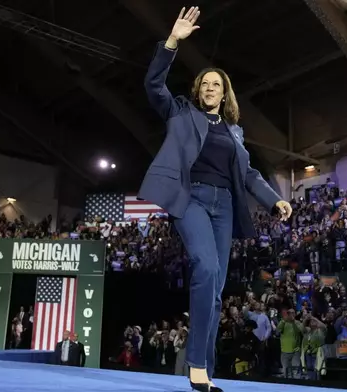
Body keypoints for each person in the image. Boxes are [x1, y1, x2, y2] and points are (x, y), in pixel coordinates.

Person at [137, 6, 292, 392]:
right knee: (205, 267)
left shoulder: (235, 132)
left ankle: (204, 372)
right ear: (197, 90)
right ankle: (195, 365)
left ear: (225, 95)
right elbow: (154, 84)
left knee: (218, 287)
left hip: (225, 206)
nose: (209, 88)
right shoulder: (179, 113)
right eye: (205, 83)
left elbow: (249, 174)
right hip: (190, 199)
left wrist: (275, 200)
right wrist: (172, 41)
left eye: (216, 85)